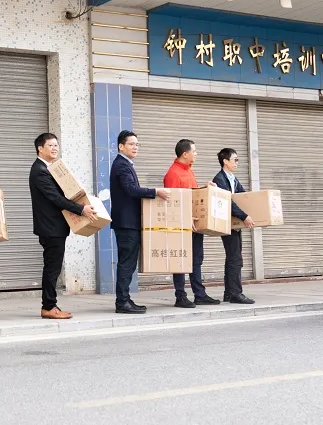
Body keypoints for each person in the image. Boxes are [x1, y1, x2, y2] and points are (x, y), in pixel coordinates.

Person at [29, 133, 98, 320]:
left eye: (56, 145)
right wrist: (81, 209)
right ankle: (48, 307)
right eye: (50, 145)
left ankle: (50, 304)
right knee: (52, 268)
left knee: (53, 267)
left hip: (54, 227)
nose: (55, 148)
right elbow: (55, 198)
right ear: (40, 148)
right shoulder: (39, 170)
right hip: (50, 227)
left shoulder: (49, 168)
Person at [109, 130, 170, 314]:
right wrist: (155, 192)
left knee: (128, 263)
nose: (135, 147)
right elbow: (131, 189)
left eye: (137, 144)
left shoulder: (125, 164)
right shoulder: (121, 165)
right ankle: (122, 302)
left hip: (129, 222)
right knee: (126, 263)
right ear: (121, 146)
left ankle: (125, 299)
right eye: (131, 144)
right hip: (126, 223)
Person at [164, 139, 218, 308]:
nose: (196, 154)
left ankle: (199, 295)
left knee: (196, 259)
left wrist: (204, 188)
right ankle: (180, 296)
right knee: (180, 260)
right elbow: (172, 203)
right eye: (194, 151)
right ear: (185, 154)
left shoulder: (189, 171)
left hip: (194, 224)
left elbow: (192, 195)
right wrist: (184, 218)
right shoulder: (173, 174)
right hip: (181, 225)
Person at [212, 148, 255, 305]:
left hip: (233, 225)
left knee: (233, 258)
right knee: (235, 259)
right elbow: (228, 202)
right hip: (226, 224)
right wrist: (244, 216)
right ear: (225, 161)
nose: (237, 162)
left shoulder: (232, 178)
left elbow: (243, 197)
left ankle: (229, 293)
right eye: (235, 159)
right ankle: (236, 293)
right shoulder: (219, 179)